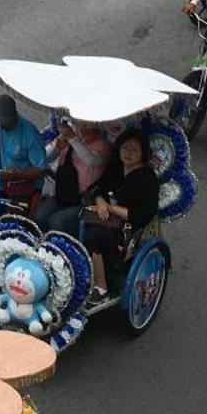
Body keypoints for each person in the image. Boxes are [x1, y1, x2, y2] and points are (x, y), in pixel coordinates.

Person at [46, 130, 159, 312]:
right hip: (100, 215)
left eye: (134, 150)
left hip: (126, 226)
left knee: (93, 235)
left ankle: (101, 286)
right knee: (68, 226)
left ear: (143, 154)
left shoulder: (148, 179)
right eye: (125, 148)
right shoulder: (115, 169)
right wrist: (100, 202)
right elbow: (98, 189)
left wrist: (112, 209)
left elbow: (142, 213)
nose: (128, 153)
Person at [45, 115, 112, 211]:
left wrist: (73, 139)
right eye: (79, 123)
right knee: (40, 215)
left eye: (85, 124)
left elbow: (91, 161)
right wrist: (57, 147)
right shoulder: (69, 137)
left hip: (82, 199)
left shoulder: (103, 145)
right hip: (61, 192)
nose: (81, 127)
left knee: (57, 221)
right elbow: (45, 158)